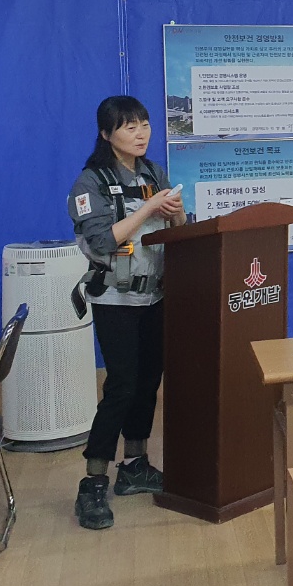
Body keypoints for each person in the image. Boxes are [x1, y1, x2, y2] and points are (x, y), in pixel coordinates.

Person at [67, 95, 185, 531]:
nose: (141, 134)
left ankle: (135, 464)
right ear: (106, 134)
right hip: (115, 300)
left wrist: (177, 214)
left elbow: (180, 233)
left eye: (145, 125)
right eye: (129, 127)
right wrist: (150, 208)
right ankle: (93, 480)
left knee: (148, 382)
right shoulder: (91, 182)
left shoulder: (154, 173)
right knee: (122, 385)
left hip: (155, 296)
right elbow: (102, 241)